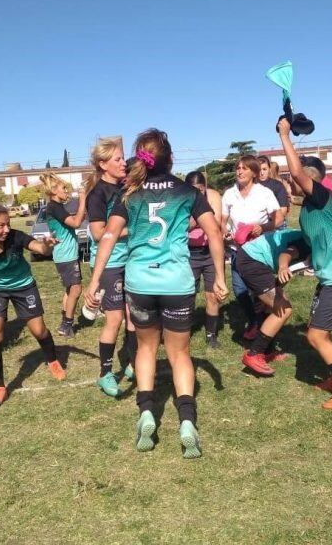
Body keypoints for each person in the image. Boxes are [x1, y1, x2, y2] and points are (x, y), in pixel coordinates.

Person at [85, 128, 227, 458]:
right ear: (171, 158)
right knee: (180, 354)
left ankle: (147, 411)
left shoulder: (129, 193)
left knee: (146, 348)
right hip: (177, 281)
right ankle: (187, 421)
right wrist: (219, 275)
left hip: (140, 282)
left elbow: (107, 236)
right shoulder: (186, 190)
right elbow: (214, 231)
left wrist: (93, 282)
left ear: (142, 158)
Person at [278, 120, 332, 410]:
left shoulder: (323, 197)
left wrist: (284, 136)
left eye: (296, 179)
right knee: (321, 332)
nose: (291, 183)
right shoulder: (308, 211)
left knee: (315, 335)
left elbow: (296, 173)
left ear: (310, 178)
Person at [0, 202, 62, 407]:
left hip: (24, 286)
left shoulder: (15, 236)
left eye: (8, 224)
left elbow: (39, 247)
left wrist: (47, 245)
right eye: (1, 226)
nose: (7, 229)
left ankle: (52, 359)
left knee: (39, 330)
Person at [85, 139, 137, 397]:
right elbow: (97, 234)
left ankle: (129, 362)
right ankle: (105, 373)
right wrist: (134, 231)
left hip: (131, 261)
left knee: (134, 318)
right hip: (109, 265)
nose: (123, 163)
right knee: (115, 320)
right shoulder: (98, 193)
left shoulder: (127, 188)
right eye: (117, 159)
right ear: (103, 164)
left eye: (123, 158)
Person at [221, 155, 282, 339]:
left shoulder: (264, 193)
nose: (239, 171)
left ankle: (265, 327)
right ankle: (254, 320)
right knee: (239, 288)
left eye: (244, 168)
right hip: (237, 249)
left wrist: (262, 227)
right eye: (238, 168)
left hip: (259, 250)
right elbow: (222, 221)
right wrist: (225, 232)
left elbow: (278, 219)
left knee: (260, 291)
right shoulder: (229, 194)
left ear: (254, 173)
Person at [236, 228, 308, 375]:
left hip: (253, 259)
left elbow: (288, 272)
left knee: (270, 307)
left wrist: (272, 291)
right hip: (252, 260)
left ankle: (268, 352)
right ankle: (254, 354)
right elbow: (286, 255)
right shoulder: (308, 242)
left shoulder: (314, 240)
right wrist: (282, 267)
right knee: (283, 308)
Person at [39, 172, 87, 338]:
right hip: (66, 256)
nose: (66, 191)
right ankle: (67, 324)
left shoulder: (55, 207)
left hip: (64, 254)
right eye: (63, 188)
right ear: (53, 191)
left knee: (69, 289)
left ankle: (64, 322)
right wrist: (82, 200)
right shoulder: (54, 207)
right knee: (76, 289)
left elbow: (70, 222)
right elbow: (76, 223)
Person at [185, 171, 224, 348]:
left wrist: (196, 219)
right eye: (193, 190)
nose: (198, 194)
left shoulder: (213, 195)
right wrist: (202, 218)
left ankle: (211, 334)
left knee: (212, 295)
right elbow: (182, 226)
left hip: (210, 252)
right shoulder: (181, 199)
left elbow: (215, 225)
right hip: (189, 252)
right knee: (187, 295)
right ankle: (184, 330)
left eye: (201, 190)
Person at [258, 155, 290, 228]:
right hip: (257, 225)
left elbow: (283, 210)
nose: (262, 173)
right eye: (259, 170)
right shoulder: (252, 186)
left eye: (264, 169)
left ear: (269, 169)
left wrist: (267, 224)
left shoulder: (278, 185)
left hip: (277, 225)